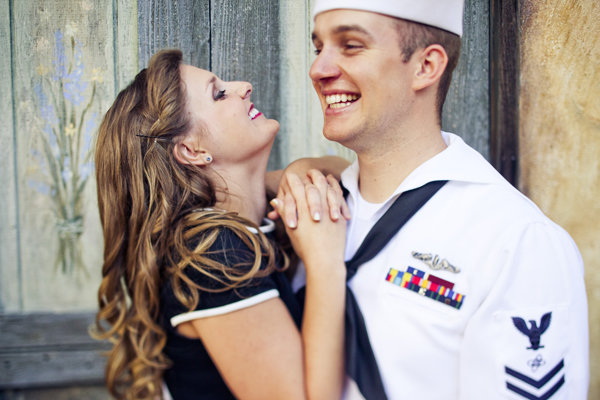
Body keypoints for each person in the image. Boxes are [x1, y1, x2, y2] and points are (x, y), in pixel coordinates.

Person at [271, 1, 590, 399]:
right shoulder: (311, 202)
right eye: (319, 48)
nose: (319, 69)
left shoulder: (515, 241)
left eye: (351, 45)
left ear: (426, 66)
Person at [92, 49, 350, 400]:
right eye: (219, 93)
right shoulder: (212, 254)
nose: (244, 86)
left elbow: (342, 169)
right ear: (192, 151)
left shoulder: (241, 218)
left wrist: (297, 171)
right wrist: (324, 263)